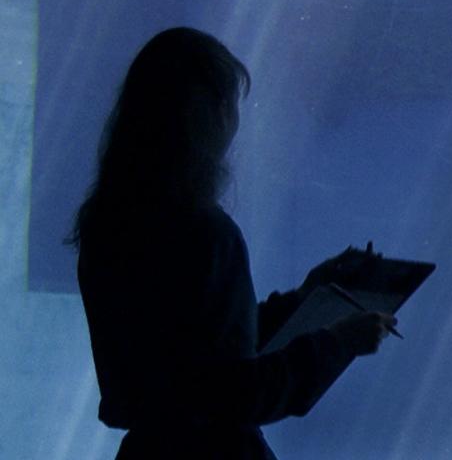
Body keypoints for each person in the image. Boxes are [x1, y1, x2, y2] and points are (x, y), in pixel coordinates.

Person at [70, 27, 396, 459]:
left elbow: (198, 355)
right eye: (228, 106)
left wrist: (307, 298)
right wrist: (339, 342)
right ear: (204, 116)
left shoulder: (106, 229)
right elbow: (234, 393)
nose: (234, 123)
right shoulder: (205, 233)